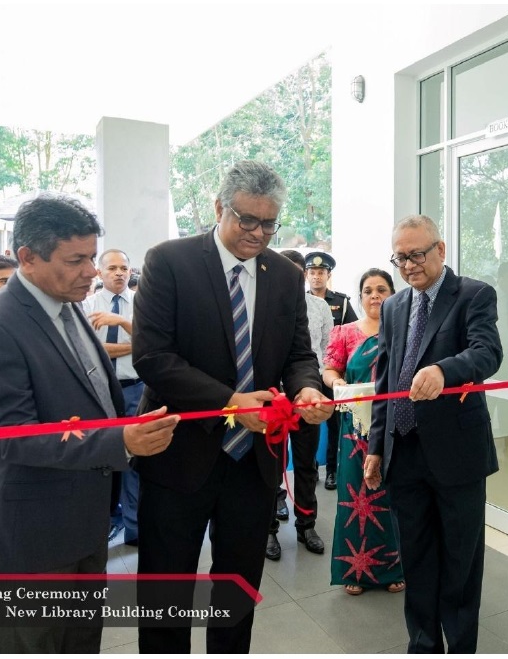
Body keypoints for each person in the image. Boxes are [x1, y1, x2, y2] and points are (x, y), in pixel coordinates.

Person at [0, 192, 179, 653]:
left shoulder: (69, 307)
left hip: (82, 518)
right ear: (27, 257)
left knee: (79, 641)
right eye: (76, 260)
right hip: (32, 532)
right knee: (34, 644)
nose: (92, 272)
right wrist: (121, 442)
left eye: (93, 258)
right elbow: (12, 436)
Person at [131, 160, 332, 653]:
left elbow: (298, 354)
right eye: (248, 220)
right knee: (165, 590)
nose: (259, 233)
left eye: (270, 223)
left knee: (237, 588)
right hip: (178, 455)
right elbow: (153, 358)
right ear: (219, 208)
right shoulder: (170, 262)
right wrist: (228, 403)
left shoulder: (285, 276)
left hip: (252, 461)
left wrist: (308, 389)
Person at [365, 215, 502, 653]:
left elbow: (487, 352)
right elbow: (385, 380)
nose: (408, 265)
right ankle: (423, 644)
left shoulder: (473, 295)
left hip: (455, 454)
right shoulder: (393, 306)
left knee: (460, 563)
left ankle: (460, 646)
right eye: (400, 257)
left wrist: (446, 370)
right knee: (417, 559)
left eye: (417, 254)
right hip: (403, 452)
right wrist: (375, 447)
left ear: (440, 250)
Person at [323, 268, 405, 595]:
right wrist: (337, 382)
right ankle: (353, 572)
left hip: (394, 428)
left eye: (381, 289)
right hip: (355, 429)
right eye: (368, 290)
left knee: (391, 494)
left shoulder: (404, 332)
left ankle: (393, 568)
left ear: (393, 295)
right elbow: (329, 368)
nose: (374, 296)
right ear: (360, 297)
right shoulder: (344, 332)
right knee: (354, 494)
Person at [265, 249, 334, 560]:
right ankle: (268, 530)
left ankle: (306, 524)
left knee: (306, 464)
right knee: (270, 465)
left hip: (308, 393)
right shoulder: (264, 305)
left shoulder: (320, 306)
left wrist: (313, 386)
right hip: (271, 397)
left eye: (296, 274)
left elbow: (323, 348)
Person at [82, 248, 142, 546]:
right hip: (101, 392)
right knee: (104, 456)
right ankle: (106, 521)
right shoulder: (86, 305)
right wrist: (137, 343)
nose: (119, 273)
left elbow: (156, 340)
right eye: (112, 268)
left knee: (134, 458)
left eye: (124, 267)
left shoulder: (142, 304)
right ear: (100, 272)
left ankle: (134, 527)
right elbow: (91, 350)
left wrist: (120, 323)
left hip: (136, 389)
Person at [305, 251, 357, 492]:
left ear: (328, 275)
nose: (316, 277)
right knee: (308, 421)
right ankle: (311, 466)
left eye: (321, 273)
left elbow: (352, 333)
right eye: (312, 273)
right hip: (308, 371)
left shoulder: (341, 302)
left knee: (335, 422)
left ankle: (333, 470)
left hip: (334, 370)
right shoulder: (300, 301)